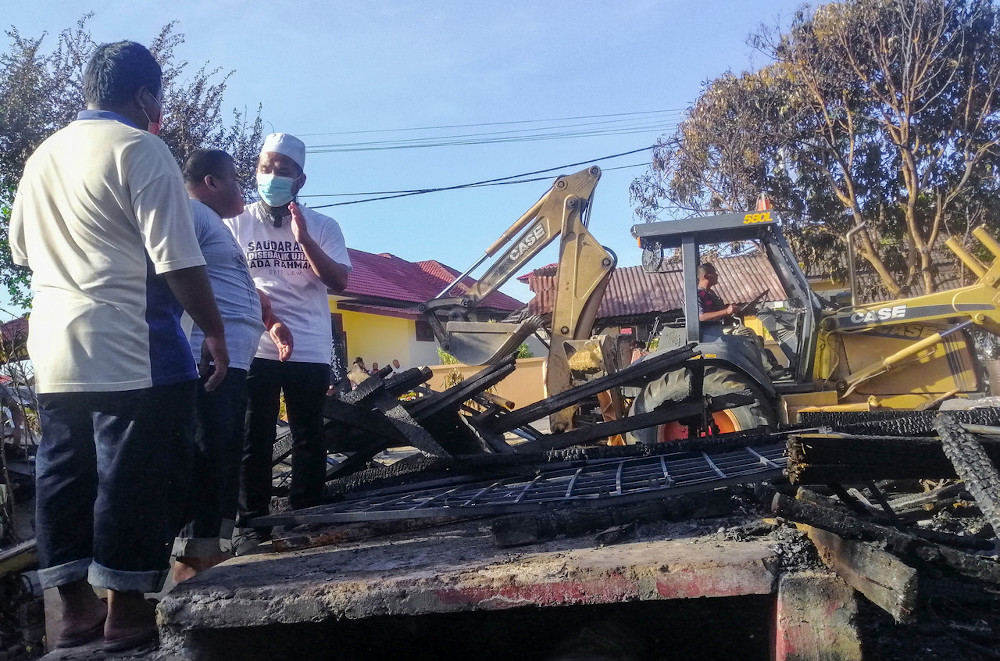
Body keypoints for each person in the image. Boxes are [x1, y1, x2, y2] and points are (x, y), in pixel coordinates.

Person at [9, 42, 228, 652]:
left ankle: (75, 611)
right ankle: (126, 613)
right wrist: (213, 329)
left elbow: (23, 252)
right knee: (131, 477)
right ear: (144, 97)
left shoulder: (40, 159)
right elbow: (178, 260)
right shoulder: (140, 147)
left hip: (54, 348)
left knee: (63, 475)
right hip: (131, 345)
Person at [171, 149, 294, 583]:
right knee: (206, 451)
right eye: (236, 181)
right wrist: (208, 333)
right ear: (211, 183)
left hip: (233, 356)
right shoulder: (189, 213)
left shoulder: (213, 226)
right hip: (208, 355)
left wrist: (270, 321)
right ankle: (190, 560)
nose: (243, 190)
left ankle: (208, 551)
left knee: (222, 449)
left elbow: (233, 285)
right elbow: (176, 273)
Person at [226, 133, 351, 551]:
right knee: (253, 436)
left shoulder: (324, 226)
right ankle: (252, 525)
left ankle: (307, 515)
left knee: (308, 435)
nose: (272, 176)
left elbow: (339, 281)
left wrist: (303, 240)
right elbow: (231, 280)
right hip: (255, 344)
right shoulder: (237, 223)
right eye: (266, 168)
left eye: (283, 170)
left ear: (300, 179)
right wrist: (268, 320)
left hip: (311, 346)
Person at [696, 262, 786, 377]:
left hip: (718, 328)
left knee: (756, 337)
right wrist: (726, 311)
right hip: (710, 332)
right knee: (746, 333)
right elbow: (701, 317)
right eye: (714, 273)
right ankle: (767, 369)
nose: (717, 275)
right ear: (706, 276)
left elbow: (721, 310)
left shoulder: (711, 293)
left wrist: (734, 309)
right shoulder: (698, 295)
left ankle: (765, 365)